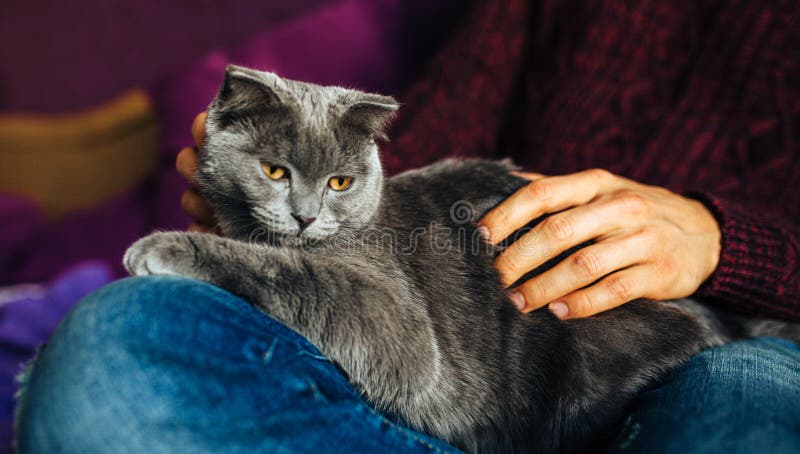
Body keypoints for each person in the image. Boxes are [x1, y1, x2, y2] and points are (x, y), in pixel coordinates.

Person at [15, 0, 800, 452]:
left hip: (730, 340)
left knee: (737, 405)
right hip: (451, 368)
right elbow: (389, 159)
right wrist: (268, 222)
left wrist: (729, 244)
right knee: (112, 349)